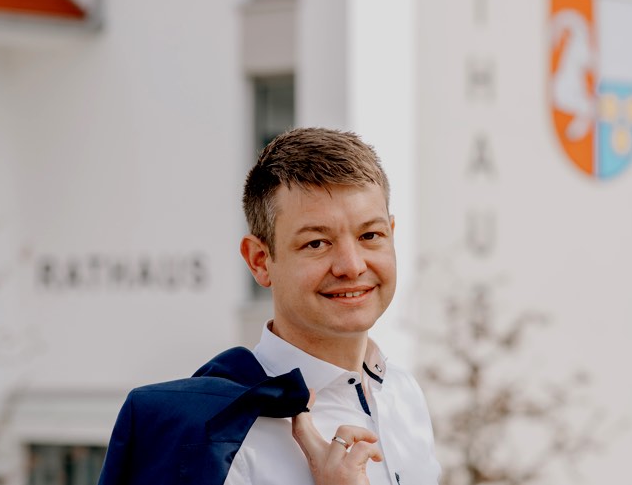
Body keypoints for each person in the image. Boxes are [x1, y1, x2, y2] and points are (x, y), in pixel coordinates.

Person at [98, 127, 441, 485]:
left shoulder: (405, 394)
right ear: (260, 261)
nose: (351, 266)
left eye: (370, 235)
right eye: (317, 243)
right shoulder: (217, 436)